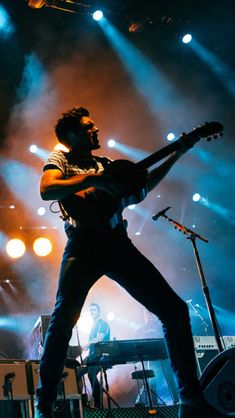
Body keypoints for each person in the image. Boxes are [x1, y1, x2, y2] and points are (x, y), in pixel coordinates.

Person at [35, 106, 224, 418]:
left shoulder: (106, 162)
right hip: (82, 245)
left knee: (174, 310)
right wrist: (94, 179)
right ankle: (44, 406)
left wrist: (179, 151)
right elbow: (46, 189)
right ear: (71, 135)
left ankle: (191, 402)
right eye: (88, 127)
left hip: (116, 243)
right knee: (61, 322)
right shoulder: (62, 160)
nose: (95, 130)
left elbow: (141, 189)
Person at [82, 303, 110, 408]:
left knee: (91, 373)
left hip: (102, 356)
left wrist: (87, 344)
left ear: (99, 312)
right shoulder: (93, 326)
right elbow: (91, 343)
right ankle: (81, 400)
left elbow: (99, 338)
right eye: (90, 310)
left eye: (94, 310)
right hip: (92, 355)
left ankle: (98, 403)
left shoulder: (103, 324)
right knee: (77, 370)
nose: (92, 312)